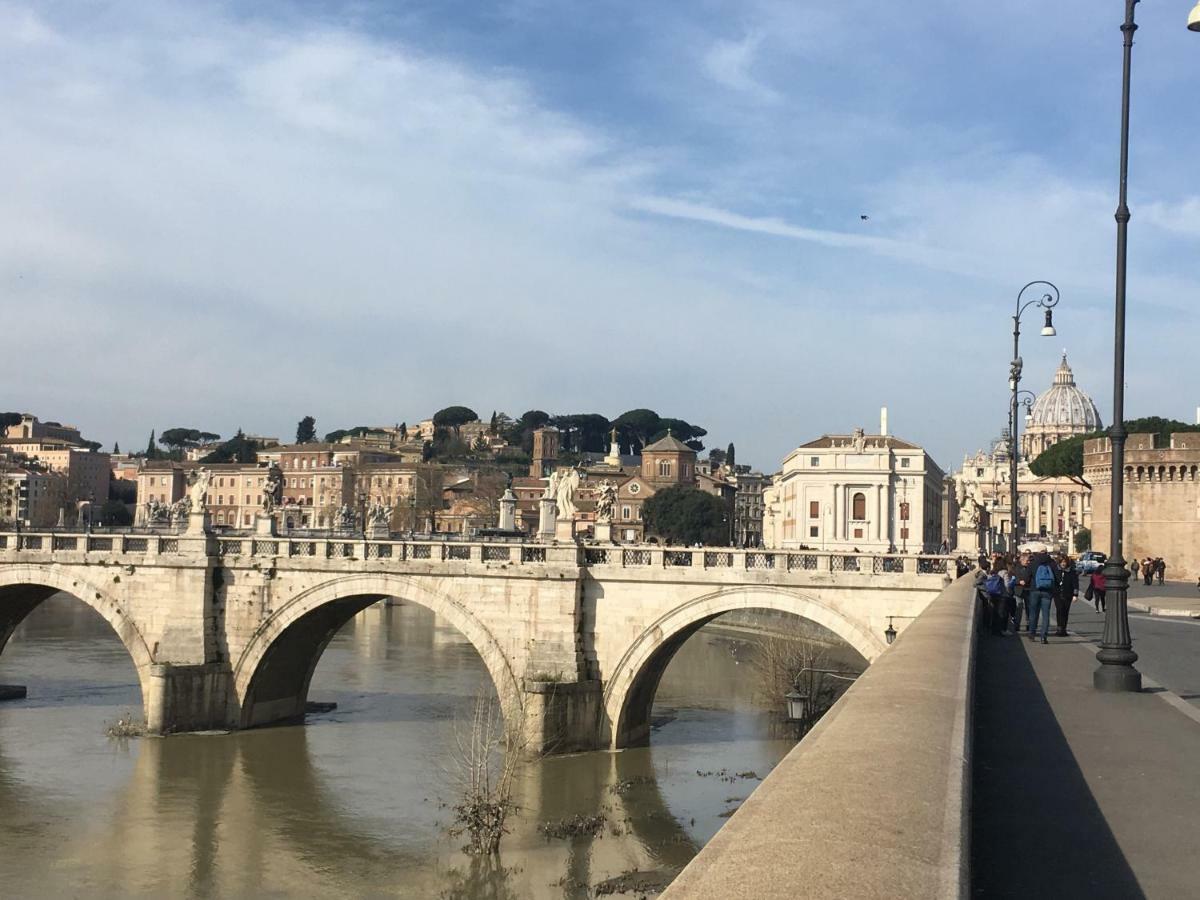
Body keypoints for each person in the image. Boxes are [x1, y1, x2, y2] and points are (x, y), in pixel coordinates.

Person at [1026, 549, 1057, 644]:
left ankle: (1032, 633)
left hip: (1035, 590)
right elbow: (1056, 577)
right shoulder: (1052, 563)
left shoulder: (1033, 563)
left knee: (1033, 613)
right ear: (1046, 553)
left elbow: (1027, 577)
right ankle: (1044, 636)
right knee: (1046, 615)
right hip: (1047, 591)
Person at [1053, 555, 1079, 637]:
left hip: (1068, 594)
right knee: (1059, 610)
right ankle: (1059, 628)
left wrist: (1075, 595)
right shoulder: (1056, 570)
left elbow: (1075, 584)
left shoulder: (1071, 571)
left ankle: (1063, 628)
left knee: (1065, 612)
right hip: (1057, 594)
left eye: (1064, 562)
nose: (1063, 564)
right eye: (1062, 562)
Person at [1011, 552, 1033, 635]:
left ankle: (1029, 624)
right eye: (1027, 560)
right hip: (1019, 590)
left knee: (1029, 608)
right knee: (1018, 608)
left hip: (1028, 589)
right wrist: (1019, 581)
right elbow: (1012, 578)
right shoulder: (1016, 568)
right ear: (1022, 560)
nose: (1028, 562)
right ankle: (1017, 625)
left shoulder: (1030, 568)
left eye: (1029, 561)